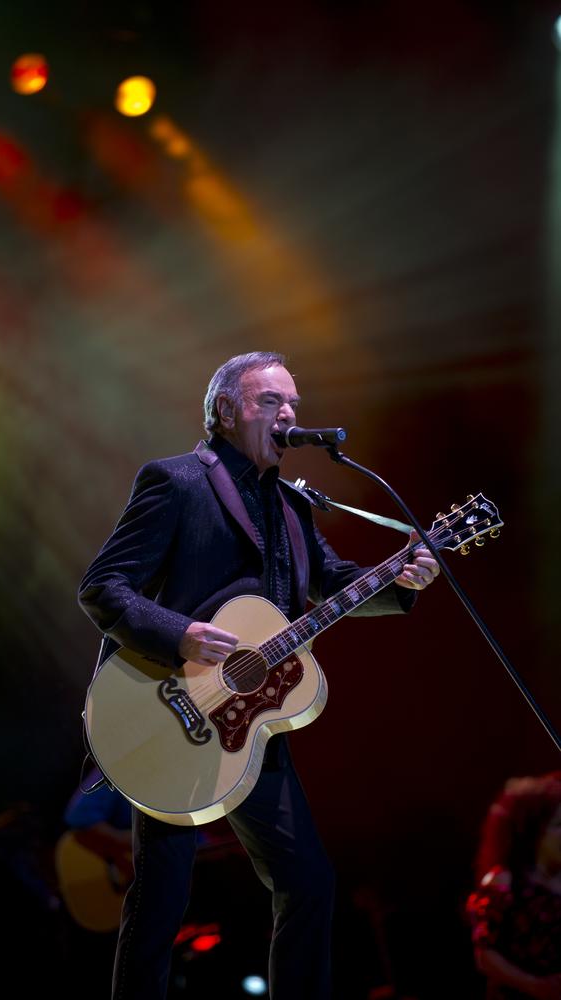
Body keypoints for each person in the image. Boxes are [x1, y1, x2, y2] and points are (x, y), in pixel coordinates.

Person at [77, 351, 440, 1000]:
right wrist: (180, 633)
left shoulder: (295, 509)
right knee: (162, 899)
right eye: (271, 402)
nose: (290, 414)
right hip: (171, 708)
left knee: (309, 883)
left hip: (248, 728)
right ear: (225, 410)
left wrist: (402, 577)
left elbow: (333, 584)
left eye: (293, 402)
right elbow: (104, 588)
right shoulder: (178, 482)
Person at [466, 771, 561, 1000]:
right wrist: (537, 987)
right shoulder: (504, 881)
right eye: (558, 825)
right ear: (532, 831)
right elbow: (484, 956)